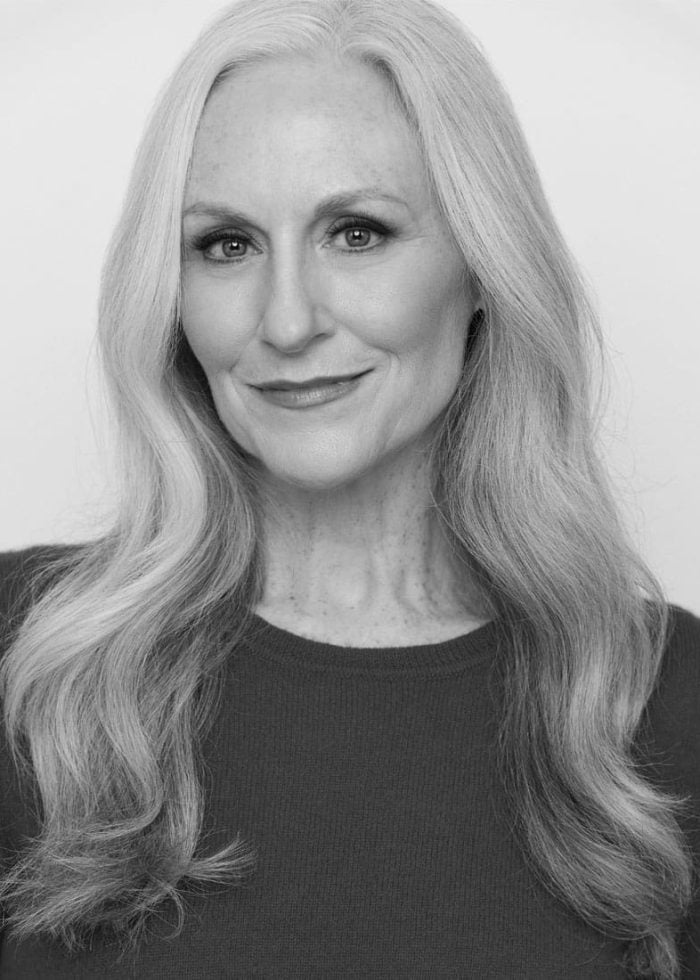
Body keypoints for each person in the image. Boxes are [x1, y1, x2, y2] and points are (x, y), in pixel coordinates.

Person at [0, 0, 698, 976]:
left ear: (486, 265)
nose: (285, 320)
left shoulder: (663, 696)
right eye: (226, 244)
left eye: (357, 232)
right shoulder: (31, 656)